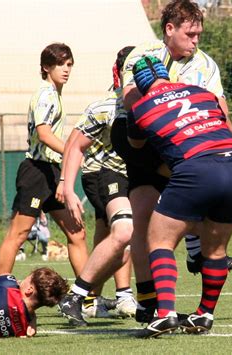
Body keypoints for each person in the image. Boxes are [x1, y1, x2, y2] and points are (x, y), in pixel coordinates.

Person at [120, 0, 232, 323]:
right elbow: (222, 120)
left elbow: (138, 123)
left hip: (190, 157)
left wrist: (160, 113)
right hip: (230, 159)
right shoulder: (142, 54)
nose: (196, 41)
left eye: (199, 34)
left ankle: (164, 310)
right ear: (169, 30)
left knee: (158, 235)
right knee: (151, 218)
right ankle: (194, 310)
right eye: (190, 34)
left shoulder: (205, 66)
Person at [57, 47, 139, 326]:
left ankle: (94, 299)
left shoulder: (160, 103)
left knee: (123, 239)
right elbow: (74, 143)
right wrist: (65, 184)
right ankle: (112, 295)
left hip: (142, 180)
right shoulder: (105, 107)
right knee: (122, 232)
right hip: (104, 175)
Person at [0, 43, 89, 280]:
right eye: (60, 64)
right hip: (37, 171)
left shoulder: (55, 93)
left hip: (52, 171)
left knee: (77, 233)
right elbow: (44, 134)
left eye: (69, 65)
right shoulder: (45, 93)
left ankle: (86, 298)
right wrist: (73, 151)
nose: (66, 69)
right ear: (46, 67)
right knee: (19, 233)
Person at [0, 267, 69, 338]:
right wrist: (32, 317)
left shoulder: (9, 286)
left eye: (27, 278)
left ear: (29, 289)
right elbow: (29, 328)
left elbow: (3, 275)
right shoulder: (23, 329)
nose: (20, 281)